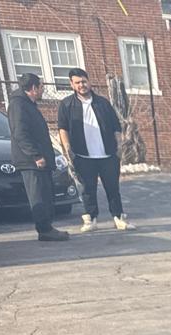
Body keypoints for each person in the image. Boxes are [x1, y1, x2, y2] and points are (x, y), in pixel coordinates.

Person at [57, 68, 129, 232]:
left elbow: (116, 127)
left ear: (88, 82)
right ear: (72, 84)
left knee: (112, 187)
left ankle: (118, 217)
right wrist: (68, 150)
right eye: (77, 82)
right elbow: (63, 129)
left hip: (108, 154)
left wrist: (119, 147)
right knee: (88, 189)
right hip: (83, 156)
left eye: (84, 81)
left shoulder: (102, 103)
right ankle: (91, 219)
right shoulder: (66, 105)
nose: (81, 85)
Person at [7, 73, 68, 241]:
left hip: (38, 159)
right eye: (41, 87)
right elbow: (20, 133)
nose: (42, 90)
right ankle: (44, 229)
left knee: (45, 193)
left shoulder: (28, 104)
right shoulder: (18, 104)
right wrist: (36, 155)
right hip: (31, 161)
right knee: (38, 195)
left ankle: (47, 227)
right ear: (33, 88)